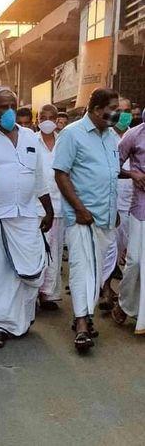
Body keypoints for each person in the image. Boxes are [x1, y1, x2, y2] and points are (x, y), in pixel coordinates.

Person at [0, 90, 53, 349]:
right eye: (2, 107)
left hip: (28, 215)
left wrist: (48, 209)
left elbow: (39, 177)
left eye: (12, 106)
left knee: (29, 270)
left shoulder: (30, 137)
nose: (8, 110)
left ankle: (22, 319)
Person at [53, 88, 120, 353]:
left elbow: (111, 174)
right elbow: (61, 174)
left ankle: (85, 315)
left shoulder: (111, 136)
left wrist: (113, 209)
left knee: (97, 270)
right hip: (82, 216)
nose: (117, 113)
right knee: (82, 267)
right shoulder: (72, 134)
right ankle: (81, 323)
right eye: (112, 108)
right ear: (95, 109)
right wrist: (79, 209)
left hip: (105, 216)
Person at [112, 115, 145, 333]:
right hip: (140, 208)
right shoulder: (135, 134)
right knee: (134, 262)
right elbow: (113, 163)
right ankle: (125, 303)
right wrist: (132, 173)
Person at [100, 97, 134, 310]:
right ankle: (105, 290)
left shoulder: (138, 135)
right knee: (109, 250)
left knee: (133, 257)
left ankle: (128, 299)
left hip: (136, 205)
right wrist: (132, 174)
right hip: (111, 202)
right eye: (118, 110)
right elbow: (108, 168)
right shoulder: (106, 136)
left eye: (127, 110)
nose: (123, 114)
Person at [37, 104, 65, 310]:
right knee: (37, 250)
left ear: (57, 120)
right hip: (37, 206)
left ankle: (48, 294)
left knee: (54, 249)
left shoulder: (65, 141)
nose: (46, 120)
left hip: (61, 205)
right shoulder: (31, 140)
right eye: (42, 117)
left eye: (50, 117)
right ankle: (33, 290)